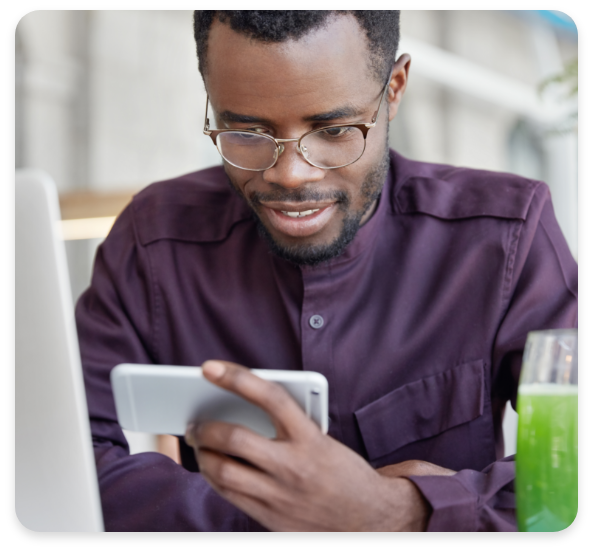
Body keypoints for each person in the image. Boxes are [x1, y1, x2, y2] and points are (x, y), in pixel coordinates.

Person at [77, 10, 578, 532]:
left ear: (395, 90)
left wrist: (399, 512)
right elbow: (66, 450)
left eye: (334, 129)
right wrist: (281, 516)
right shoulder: (153, 241)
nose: (291, 174)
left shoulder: (505, 236)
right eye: (246, 131)